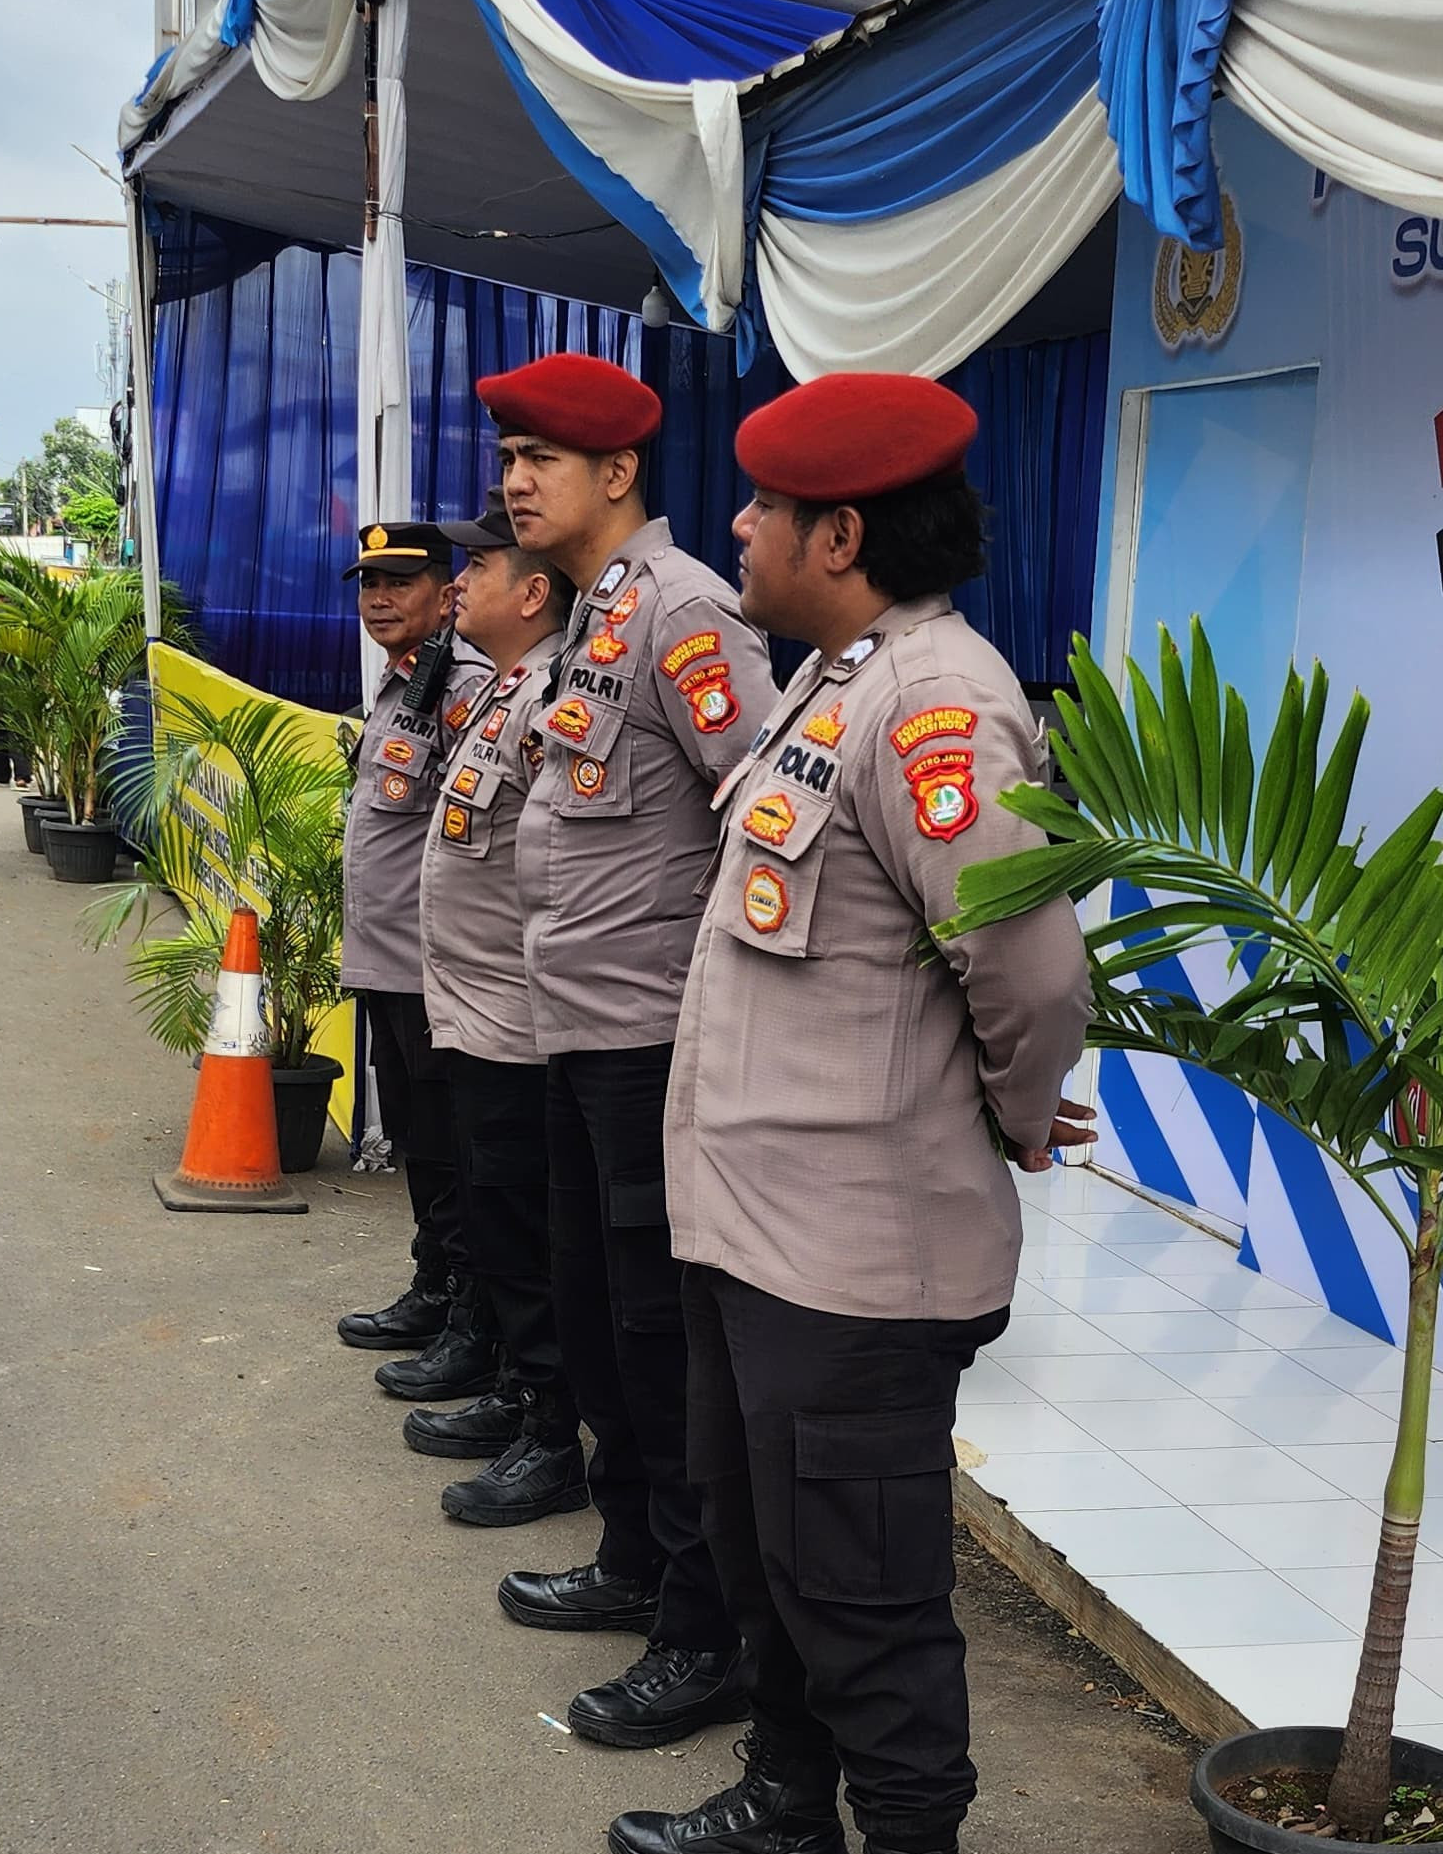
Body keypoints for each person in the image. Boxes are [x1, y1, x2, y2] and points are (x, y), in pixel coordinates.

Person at [612, 375, 1093, 1854]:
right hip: (753, 1232)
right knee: (769, 1561)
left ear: (836, 533)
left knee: (864, 1597)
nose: (738, 528)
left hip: (855, 1261)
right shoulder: (838, 677)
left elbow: (1024, 961)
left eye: (761, 507)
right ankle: (783, 1800)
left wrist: (1016, 1115)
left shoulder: (936, 703)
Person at [489, 352, 776, 1750]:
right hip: (574, 1025)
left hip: (650, 1041)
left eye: (539, 457)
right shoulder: (594, 615)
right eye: (506, 459)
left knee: (661, 1346)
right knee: (600, 1324)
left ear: (617, 474)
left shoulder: (684, 612)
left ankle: (698, 1631)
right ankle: (629, 1558)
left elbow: (760, 817)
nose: (513, 481)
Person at [413, 485, 584, 1526]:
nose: (458, 581)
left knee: (528, 1238)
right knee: (496, 1221)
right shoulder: (496, 689)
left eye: (476, 567)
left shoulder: (547, 694)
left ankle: (549, 1428)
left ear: (530, 593)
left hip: (520, 1021)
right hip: (473, 1010)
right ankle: (523, 1395)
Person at [333, 523, 496, 1402]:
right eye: (369, 584)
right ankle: (433, 1286)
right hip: (384, 961)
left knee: (448, 1149)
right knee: (419, 1149)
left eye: (401, 582)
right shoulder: (403, 685)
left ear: (448, 593)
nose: (380, 598)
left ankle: (468, 1314)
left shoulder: (461, 687)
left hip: (432, 971)